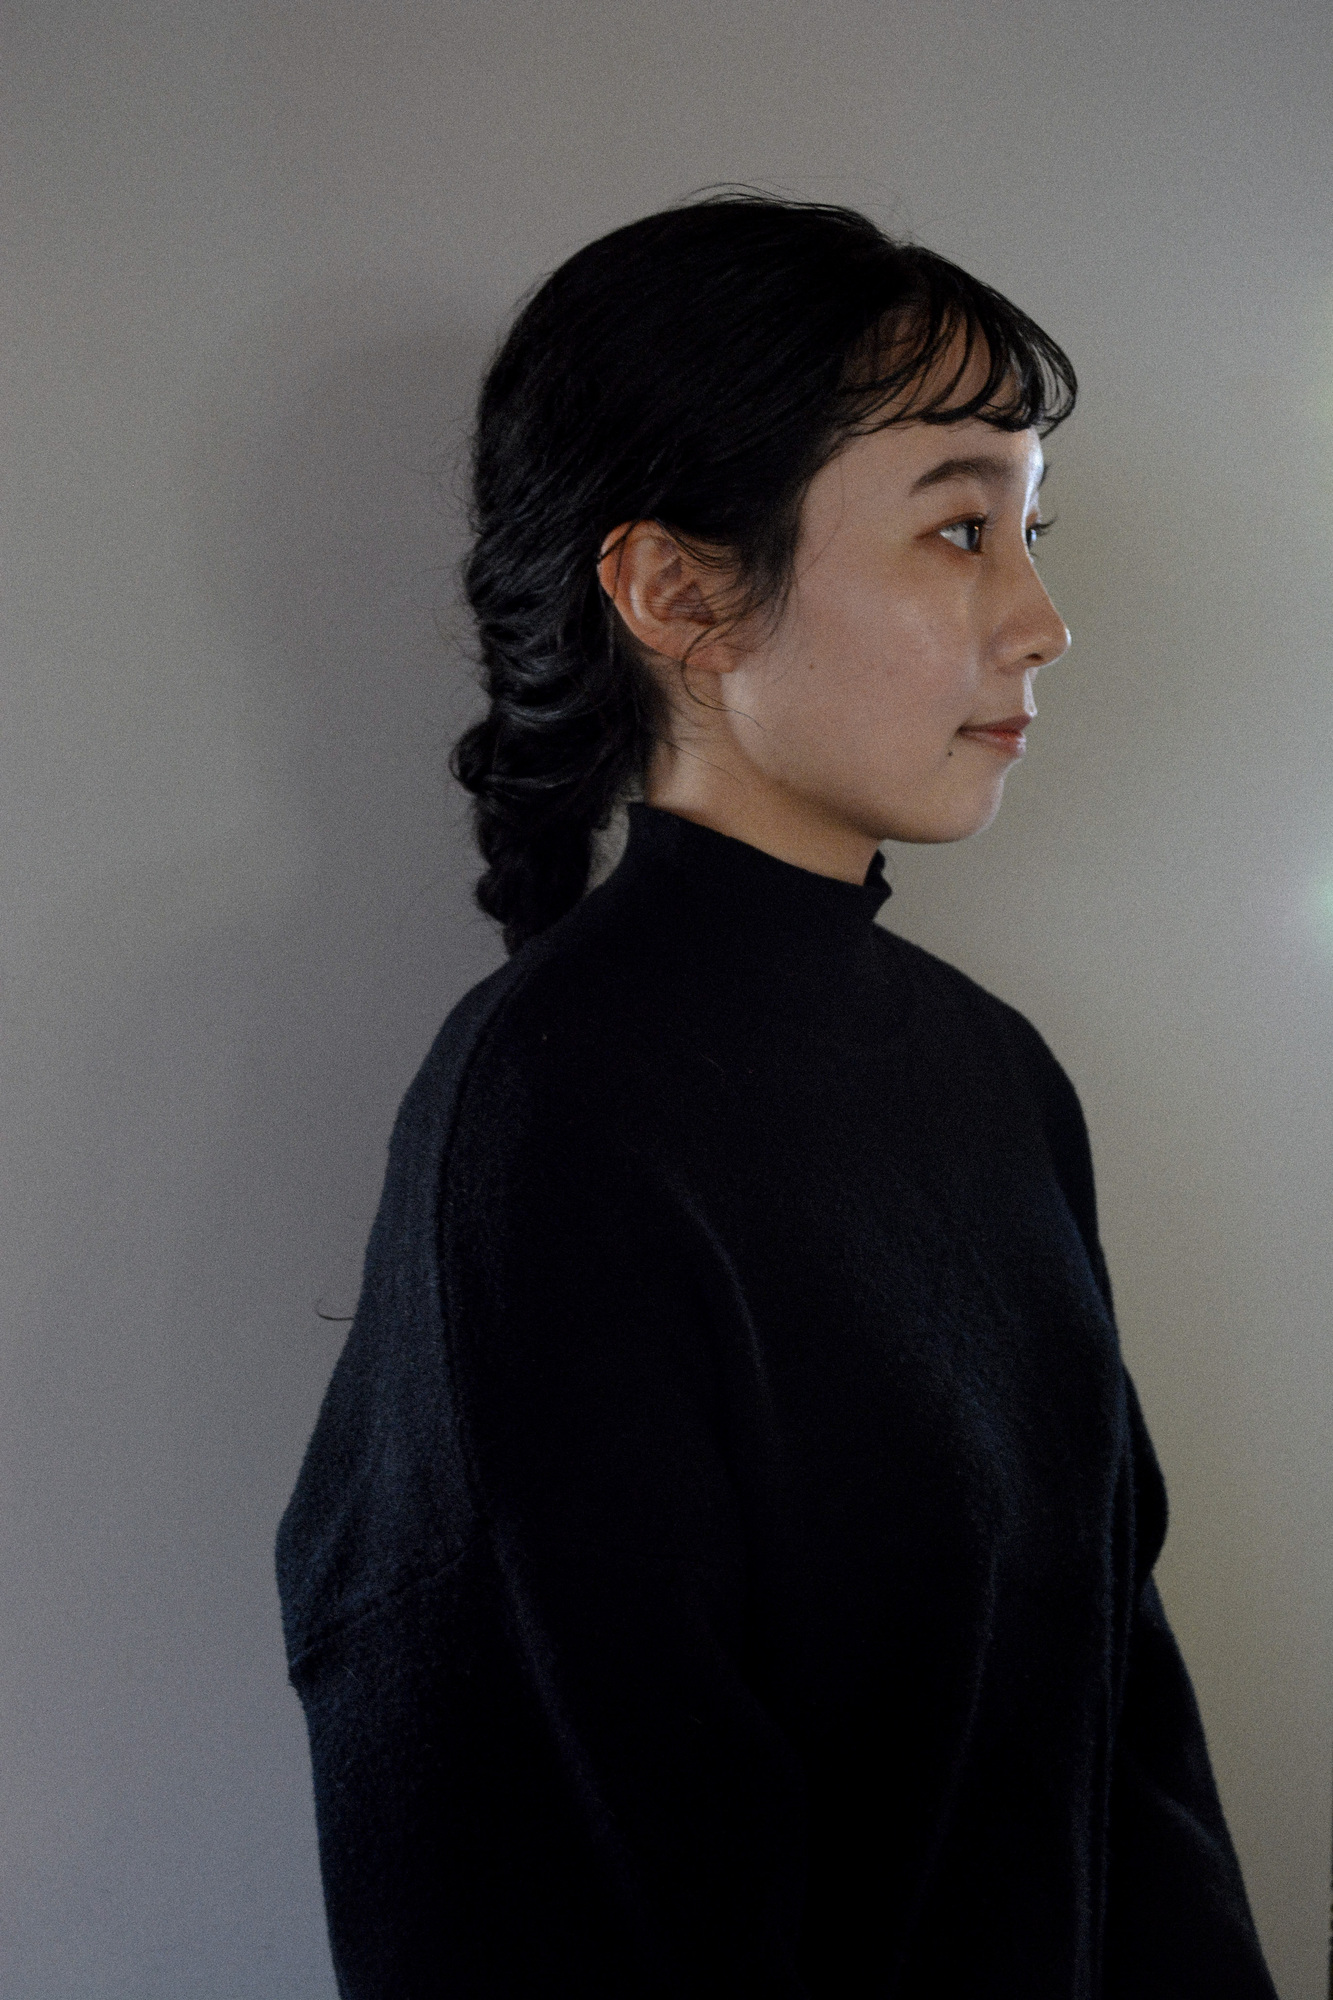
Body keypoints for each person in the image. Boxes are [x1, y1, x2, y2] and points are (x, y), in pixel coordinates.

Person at [274, 193, 1277, 1997]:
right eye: (957, 528)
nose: (1041, 621)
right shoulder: (552, 1113)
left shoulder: (992, 1070)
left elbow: (1119, 1722)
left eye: (1029, 530)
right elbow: (514, 1847)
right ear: (676, 592)